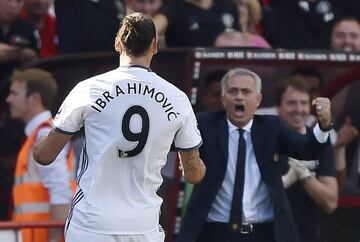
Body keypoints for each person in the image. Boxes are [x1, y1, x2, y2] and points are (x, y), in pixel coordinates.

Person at [33, 12, 206, 242]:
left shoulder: (89, 89)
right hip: (143, 227)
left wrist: (38, 143)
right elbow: (193, 174)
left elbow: (45, 156)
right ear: (154, 46)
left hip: (91, 225)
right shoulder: (177, 98)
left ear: (118, 43)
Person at [176, 67, 333, 242]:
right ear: (223, 98)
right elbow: (173, 143)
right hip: (214, 232)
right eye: (233, 91)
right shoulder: (205, 124)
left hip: (262, 232)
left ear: (258, 99)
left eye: (246, 92)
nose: (239, 97)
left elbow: (307, 149)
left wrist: (324, 126)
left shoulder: (272, 127)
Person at [6, 68, 76, 242]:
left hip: (43, 235)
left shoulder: (44, 135)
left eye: (14, 93)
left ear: (35, 98)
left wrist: (55, 238)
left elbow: (60, 190)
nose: (8, 99)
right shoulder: (42, 134)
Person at [276, 77, 338, 242]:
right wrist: (285, 181)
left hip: (307, 236)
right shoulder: (266, 141)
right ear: (278, 107)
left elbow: (331, 203)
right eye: (291, 103)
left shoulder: (321, 142)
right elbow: (252, 198)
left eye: (304, 103)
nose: (299, 109)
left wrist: (304, 175)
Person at [152, 0, 240, 48]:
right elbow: (152, 28)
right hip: (184, 71)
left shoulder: (229, 6)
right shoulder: (175, 6)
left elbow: (243, 39)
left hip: (228, 69)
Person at [0, 0, 39, 79]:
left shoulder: (28, 30)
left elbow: (37, 67)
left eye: (18, 1)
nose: (13, 6)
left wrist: (30, 60)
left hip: (14, 85)